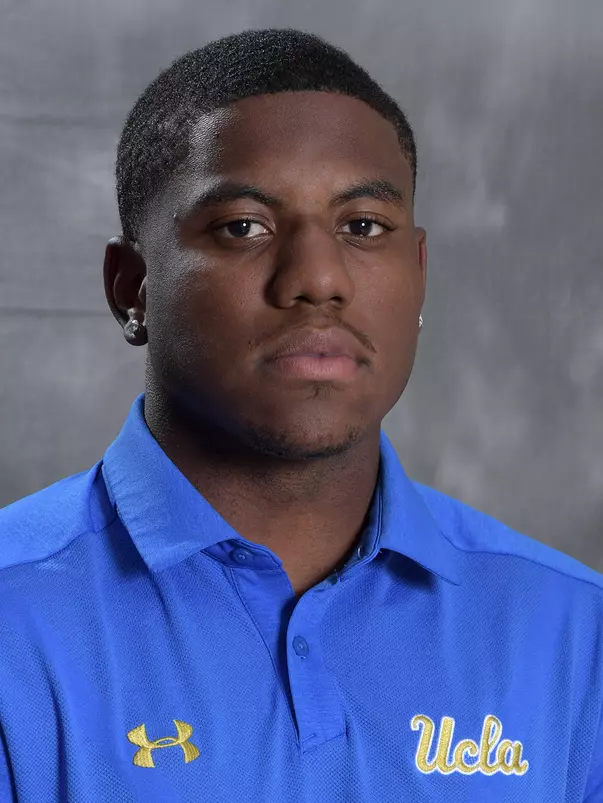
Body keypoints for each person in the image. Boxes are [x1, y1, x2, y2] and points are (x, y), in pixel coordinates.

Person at [0, 27, 601, 803]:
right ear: (131, 288)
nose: (317, 278)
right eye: (242, 226)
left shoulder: (573, 633)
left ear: (418, 275)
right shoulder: (16, 619)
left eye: (362, 227)